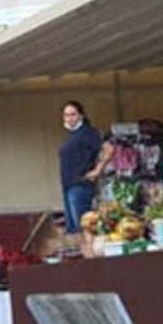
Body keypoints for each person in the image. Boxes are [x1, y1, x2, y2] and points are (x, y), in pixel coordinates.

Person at [58, 101, 105, 239]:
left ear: (81, 115)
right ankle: (83, 256)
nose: (69, 118)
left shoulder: (88, 133)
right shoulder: (73, 135)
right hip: (68, 186)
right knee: (74, 229)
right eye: (66, 115)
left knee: (84, 227)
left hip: (81, 185)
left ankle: (90, 256)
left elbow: (108, 149)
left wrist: (97, 170)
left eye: (73, 114)